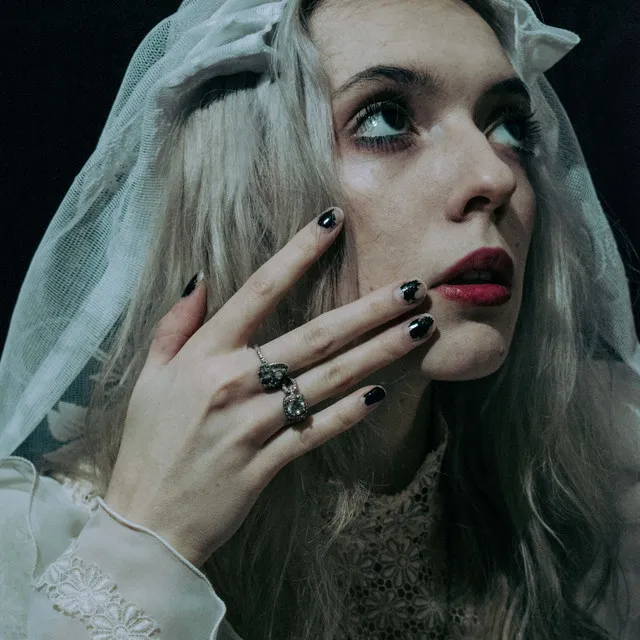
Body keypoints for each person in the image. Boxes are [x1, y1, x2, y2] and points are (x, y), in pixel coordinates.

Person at [0, 0, 638, 637]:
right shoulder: (36, 546)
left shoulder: (594, 500)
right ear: (247, 189)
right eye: (386, 118)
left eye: (509, 128)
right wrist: (149, 536)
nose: (495, 176)